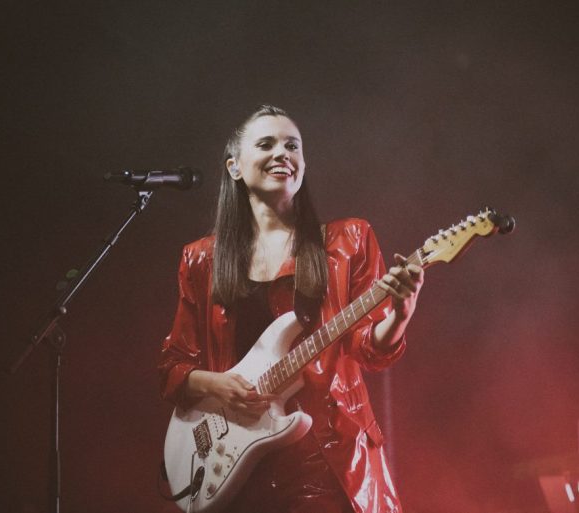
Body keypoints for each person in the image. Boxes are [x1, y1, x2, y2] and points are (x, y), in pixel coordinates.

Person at [159, 105, 424, 513]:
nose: (283, 153)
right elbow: (173, 367)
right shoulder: (200, 260)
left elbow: (369, 349)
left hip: (325, 462)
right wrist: (218, 385)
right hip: (233, 464)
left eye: (293, 146)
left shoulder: (348, 239)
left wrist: (400, 316)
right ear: (235, 167)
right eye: (266, 144)